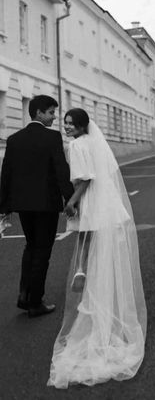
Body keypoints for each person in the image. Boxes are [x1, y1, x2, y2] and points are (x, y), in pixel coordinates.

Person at [48, 108, 147, 388]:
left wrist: (72, 202)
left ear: (81, 126)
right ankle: (104, 306)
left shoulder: (78, 145)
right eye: (64, 123)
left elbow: (86, 178)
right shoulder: (93, 142)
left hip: (89, 203)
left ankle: (90, 301)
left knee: (85, 254)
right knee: (100, 255)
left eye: (70, 124)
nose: (66, 127)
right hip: (104, 205)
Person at [0, 95, 74, 318]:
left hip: (23, 204)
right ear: (39, 113)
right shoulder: (52, 138)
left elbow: (6, 174)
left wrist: (4, 207)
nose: (54, 117)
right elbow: (61, 171)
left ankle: (25, 296)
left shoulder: (14, 139)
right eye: (51, 112)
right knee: (42, 251)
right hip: (46, 204)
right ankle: (34, 302)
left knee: (31, 247)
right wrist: (70, 198)